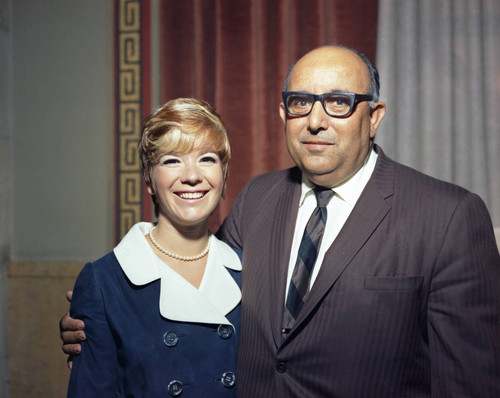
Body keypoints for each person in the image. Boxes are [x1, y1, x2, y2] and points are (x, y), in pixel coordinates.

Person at [61, 46, 500, 397]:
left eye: (339, 103)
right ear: (283, 115)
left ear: (374, 118)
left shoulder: (449, 216)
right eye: (300, 102)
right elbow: (198, 292)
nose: (316, 120)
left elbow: (469, 381)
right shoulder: (259, 197)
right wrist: (101, 320)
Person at [66, 98, 242, 397]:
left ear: (224, 177)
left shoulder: (249, 272)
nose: (191, 176)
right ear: (149, 179)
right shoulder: (103, 280)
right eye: (172, 160)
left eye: (208, 158)